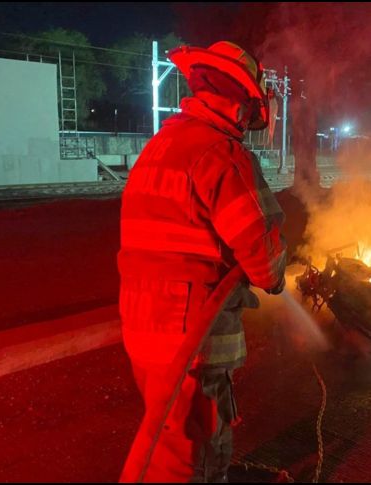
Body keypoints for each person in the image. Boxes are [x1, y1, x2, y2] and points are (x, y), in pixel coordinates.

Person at [117, 41, 286, 483]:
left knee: (167, 441)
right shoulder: (222, 155)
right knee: (196, 457)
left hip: (142, 330)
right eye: (251, 108)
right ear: (241, 102)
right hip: (191, 338)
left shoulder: (160, 147)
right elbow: (265, 264)